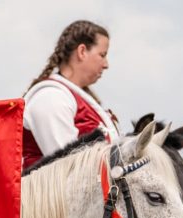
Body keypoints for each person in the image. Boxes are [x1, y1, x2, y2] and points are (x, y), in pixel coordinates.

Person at [21, 20, 118, 170]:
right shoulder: (51, 97)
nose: (106, 64)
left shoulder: (70, 96)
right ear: (82, 51)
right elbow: (69, 167)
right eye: (102, 55)